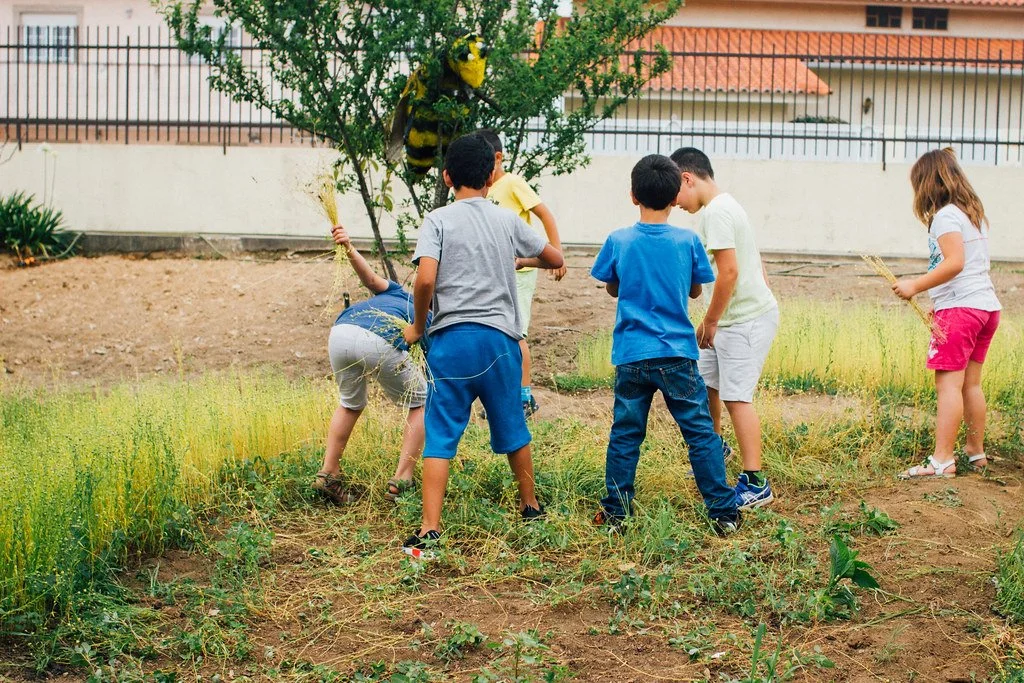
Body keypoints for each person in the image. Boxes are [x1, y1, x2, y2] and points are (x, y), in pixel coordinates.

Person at [401, 133, 564, 557]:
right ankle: (530, 507)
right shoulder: (506, 219)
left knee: (440, 435)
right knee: (512, 424)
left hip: (452, 343)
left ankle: (430, 531)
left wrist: (419, 325)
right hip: (500, 345)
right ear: (492, 176)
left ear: (447, 177)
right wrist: (524, 260)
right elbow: (555, 258)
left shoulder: (437, 220)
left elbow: (425, 279)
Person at [590, 153, 741, 536]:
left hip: (632, 355)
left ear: (632, 195)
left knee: (625, 434)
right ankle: (723, 512)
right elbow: (694, 291)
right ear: (676, 195)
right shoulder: (687, 241)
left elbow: (612, 287)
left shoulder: (618, 240)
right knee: (700, 433)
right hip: (677, 354)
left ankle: (616, 514)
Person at [671, 147, 779, 510]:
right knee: (708, 386)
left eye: (676, 194)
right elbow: (753, 259)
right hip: (733, 318)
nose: (676, 204)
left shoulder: (717, 211)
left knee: (736, 397)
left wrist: (711, 320)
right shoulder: (725, 206)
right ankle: (715, 451)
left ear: (687, 179)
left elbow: (729, 271)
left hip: (743, 321)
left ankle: (755, 481)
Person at [894, 148, 1001, 479]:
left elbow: (955, 263)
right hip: (985, 307)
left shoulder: (944, 217)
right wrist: (939, 299)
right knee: (971, 384)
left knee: (948, 386)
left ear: (927, 183)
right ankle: (975, 452)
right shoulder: (969, 213)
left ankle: (942, 460)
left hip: (962, 310)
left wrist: (916, 285)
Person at [311, 224, 428, 505]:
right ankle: (402, 478)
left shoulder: (398, 293)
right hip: (378, 339)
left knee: (350, 403)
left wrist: (350, 247)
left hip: (341, 331)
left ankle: (328, 472)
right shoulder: (429, 313)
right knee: (422, 402)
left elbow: (371, 280)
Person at [477, 128, 566, 416]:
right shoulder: (482, 189)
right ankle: (499, 396)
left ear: (498, 157)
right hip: (494, 271)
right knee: (494, 331)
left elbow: (545, 214)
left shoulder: (512, 183)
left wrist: (557, 252)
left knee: (516, 333)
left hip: (520, 271)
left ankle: (524, 397)